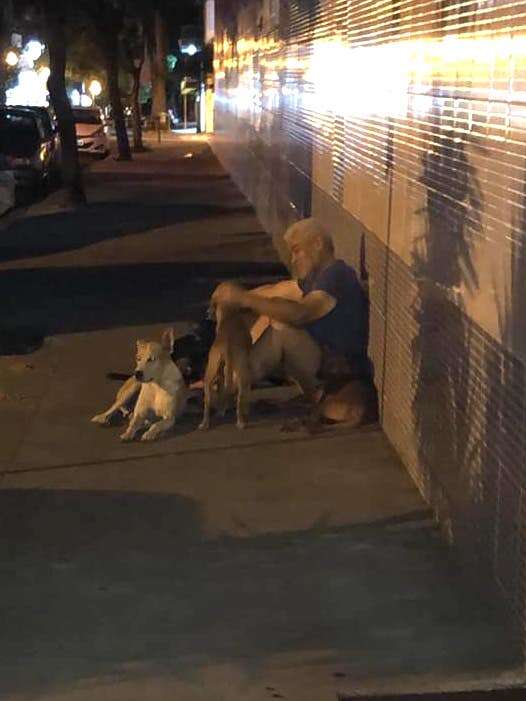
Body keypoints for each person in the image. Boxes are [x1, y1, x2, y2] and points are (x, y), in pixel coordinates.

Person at [211, 217, 370, 401]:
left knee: (282, 327)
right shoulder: (318, 276)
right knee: (270, 311)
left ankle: (231, 385)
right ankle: (230, 378)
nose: (293, 260)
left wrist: (243, 299)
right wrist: (235, 297)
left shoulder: (336, 276)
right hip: (324, 366)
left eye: (297, 251)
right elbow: (281, 290)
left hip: (340, 377)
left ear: (317, 243)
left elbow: (300, 314)